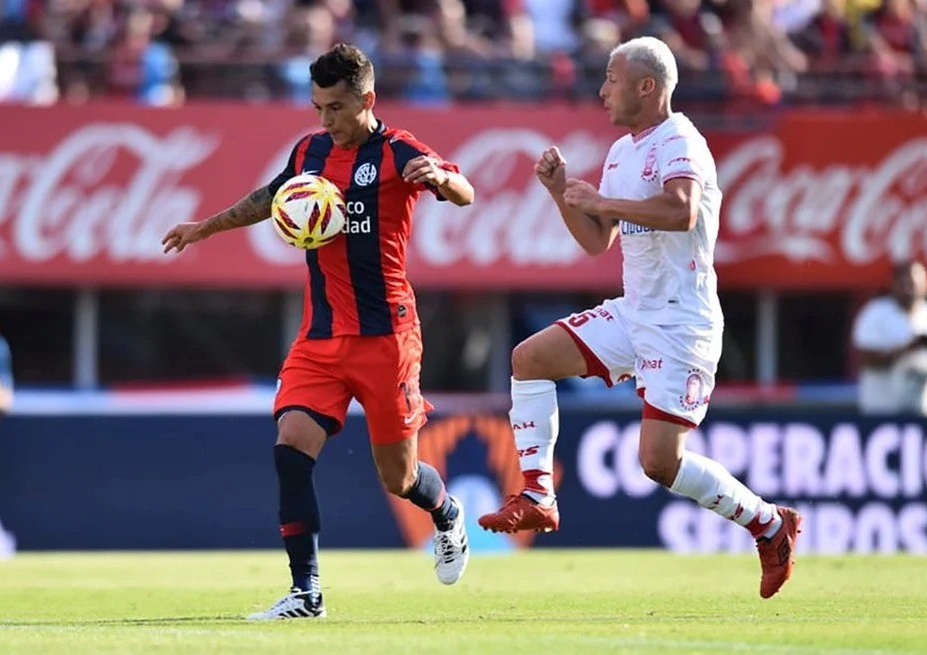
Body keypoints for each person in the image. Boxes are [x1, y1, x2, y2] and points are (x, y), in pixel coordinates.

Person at [476, 36, 802, 599]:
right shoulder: (623, 152)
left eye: (611, 79)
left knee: (657, 462)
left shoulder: (682, 140)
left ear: (646, 86)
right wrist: (562, 196)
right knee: (529, 359)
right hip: (635, 312)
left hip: (682, 322)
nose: (602, 91)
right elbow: (598, 243)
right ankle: (537, 495)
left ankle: (770, 524)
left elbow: (680, 210)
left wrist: (600, 202)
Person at [161, 43, 476, 620]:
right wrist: (204, 228)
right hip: (322, 337)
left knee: (398, 477)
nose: (325, 120)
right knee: (290, 450)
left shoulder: (399, 149)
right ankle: (306, 593)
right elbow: (269, 198)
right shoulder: (309, 150)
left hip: (387, 338)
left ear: (367, 100)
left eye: (335, 108)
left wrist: (439, 179)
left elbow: (465, 190)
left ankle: (447, 513)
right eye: (318, 108)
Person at [852, 260, 927, 417]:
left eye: (914, 283)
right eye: (903, 283)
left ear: (926, 284)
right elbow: (865, 360)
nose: (909, 289)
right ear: (893, 284)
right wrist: (906, 349)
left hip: (922, 411)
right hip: (880, 411)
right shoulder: (875, 312)